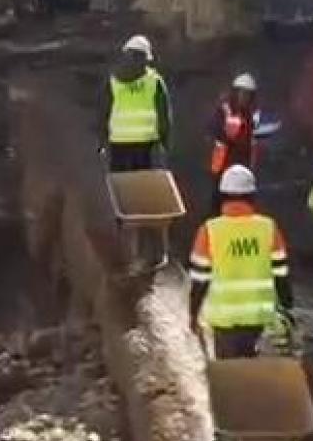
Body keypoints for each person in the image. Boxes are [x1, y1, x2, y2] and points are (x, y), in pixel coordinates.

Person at [189, 165, 292, 359]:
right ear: (252, 196)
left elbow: (199, 279)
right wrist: (287, 305)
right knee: (251, 365)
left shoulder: (209, 230)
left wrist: (193, 314)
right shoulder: (269, 228)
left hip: (224, 319)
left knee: (229, 370)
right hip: (258, 317)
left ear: (222, 196)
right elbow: (281, 274)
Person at [102, 35, 172, 172]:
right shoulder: (154, 81)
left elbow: (103, 112)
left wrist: (102, 141)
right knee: (144, 188)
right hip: (147, 145)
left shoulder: (113, 80)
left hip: (118, 144)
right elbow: (164, 114)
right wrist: (165, 143)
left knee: (122, 187)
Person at [208, 73, 259, 213]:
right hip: (223, 164)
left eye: (248, 94)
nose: (244, 97)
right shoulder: (225, 110)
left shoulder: (250, 115)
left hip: (242, 165)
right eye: (242, 93)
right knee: (219, 202)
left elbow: (251, 139)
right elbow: (213, 130)